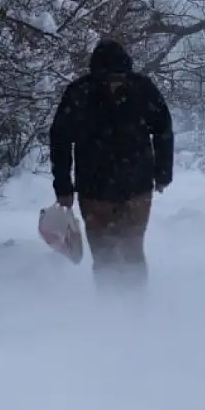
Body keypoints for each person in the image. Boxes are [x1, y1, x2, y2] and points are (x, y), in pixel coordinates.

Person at [49, 39, 174, 289]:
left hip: (137, 187)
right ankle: (109, 310)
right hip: (94, 190)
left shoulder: (143, 89)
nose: (115, 83)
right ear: (97, 75)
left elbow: (163, 130)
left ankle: (136, 306)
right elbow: (60, 141)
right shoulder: (79, 93)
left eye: (120, 77)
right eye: (109, 78)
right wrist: (63, 186)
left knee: (132, 249)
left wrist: (163, 173)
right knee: (103, 253)